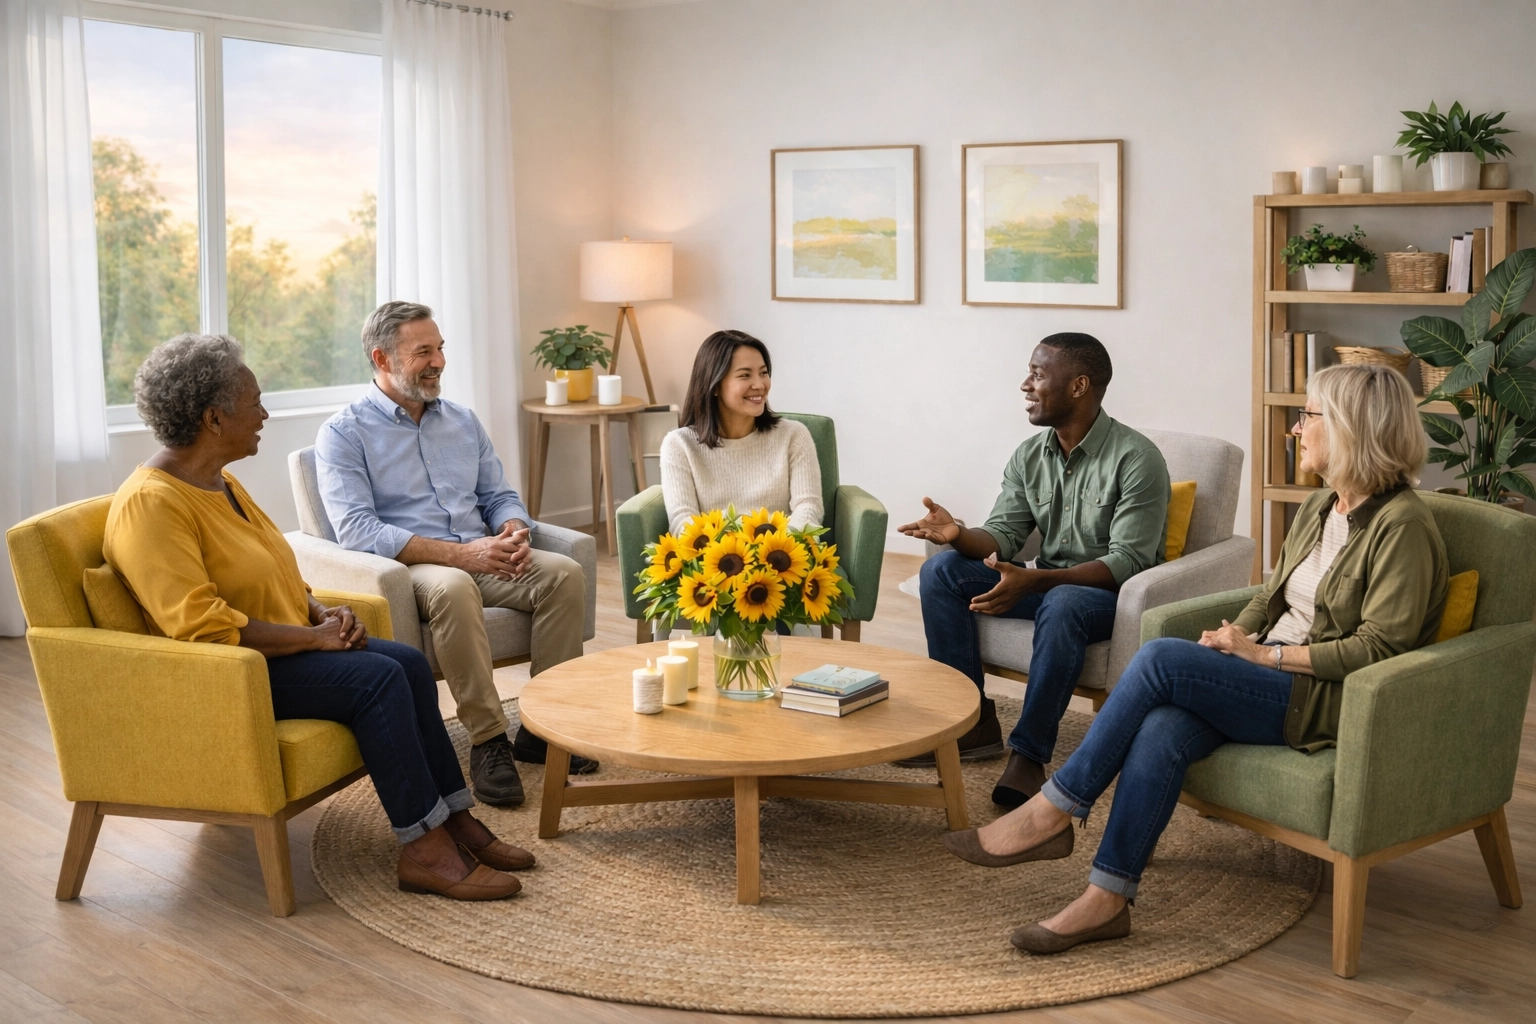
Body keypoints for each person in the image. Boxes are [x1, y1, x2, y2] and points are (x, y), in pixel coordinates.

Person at [945, 363, 1448, 954]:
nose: (1296, 430)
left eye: (1308, 416)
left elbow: (1380, 648)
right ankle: (1106, 900)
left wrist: (1262, 657)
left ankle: (1053, 812)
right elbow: (1271, 596)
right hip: (1268, 669)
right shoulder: (1321, 507)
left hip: (1321, 697)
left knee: (1159, 659)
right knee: (1163, 726)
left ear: (1349, 429)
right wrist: (1236, 635)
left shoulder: (1403, 527)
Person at [105, 334, 532, 902]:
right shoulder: (151, 504)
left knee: (405, 662)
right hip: (231, 670)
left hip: (281, 647)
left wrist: (318, 610)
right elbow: (204, 626)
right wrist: (314, 638)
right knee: (378, 681)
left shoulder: (219, 481)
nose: (265, 414)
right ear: (212, 418)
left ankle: (453, 821)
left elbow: (274, 571)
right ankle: (424, 853)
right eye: (254, 402)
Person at [315, 301, 593, 810]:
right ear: (381, 358)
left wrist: (512, 529)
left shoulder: (462, 421)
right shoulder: (343, 433)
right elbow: (355, 529)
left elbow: (498, 495)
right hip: (411, 567)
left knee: (565, 573)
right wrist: (462, 556)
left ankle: (542, 729)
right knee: (454, 584)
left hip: (483, 555)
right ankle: (489, 742)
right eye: (423, 351)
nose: (439, 361)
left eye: (440, 348)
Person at [899, 333, 1169, 809]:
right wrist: (958, 535)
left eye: (1039, 374)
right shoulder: (1030, 454)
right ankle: (970, 723)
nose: (1026, 384)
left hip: (1109, 598)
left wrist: (1035, 579)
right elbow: (1004, 533)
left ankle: (1028, 753)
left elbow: (1128, 563)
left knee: (1064, 601)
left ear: (1079, 385)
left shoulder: (1136, 459)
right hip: (1045, 584)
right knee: (941, 572)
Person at [659, 330, 822, 537]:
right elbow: (683, 522)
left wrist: (775, 551)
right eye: (745, 375)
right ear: (715, 385)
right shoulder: (679, 444)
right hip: (713, 562)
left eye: (763, 373)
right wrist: (733, 555)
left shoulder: (794, 435)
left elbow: (808, 507)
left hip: (782, 557)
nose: (760, 384)